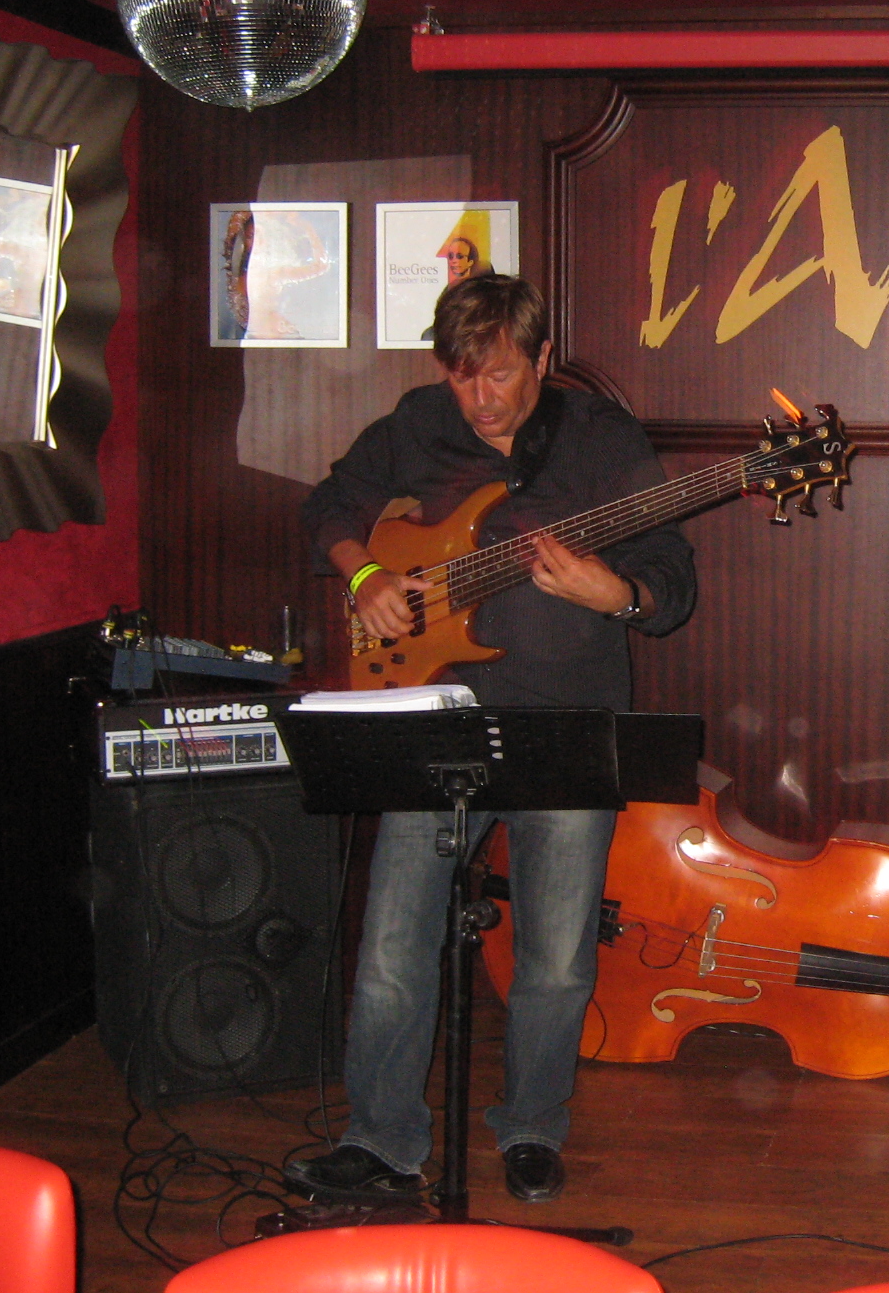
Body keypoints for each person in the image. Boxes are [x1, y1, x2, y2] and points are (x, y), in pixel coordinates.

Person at [287, 274, 696, 1205]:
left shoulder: (602, 438)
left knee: (556, 955)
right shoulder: (418, 422)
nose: (481, 398)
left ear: (542, 359)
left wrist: (617, 595)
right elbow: (330, 505)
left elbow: (671, 576)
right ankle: (382, 1139)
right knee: (394, 942)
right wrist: (364, 579)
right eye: (463, 375)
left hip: (567, 723)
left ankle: (532, 1126)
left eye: (501, 374)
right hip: (432, 717)